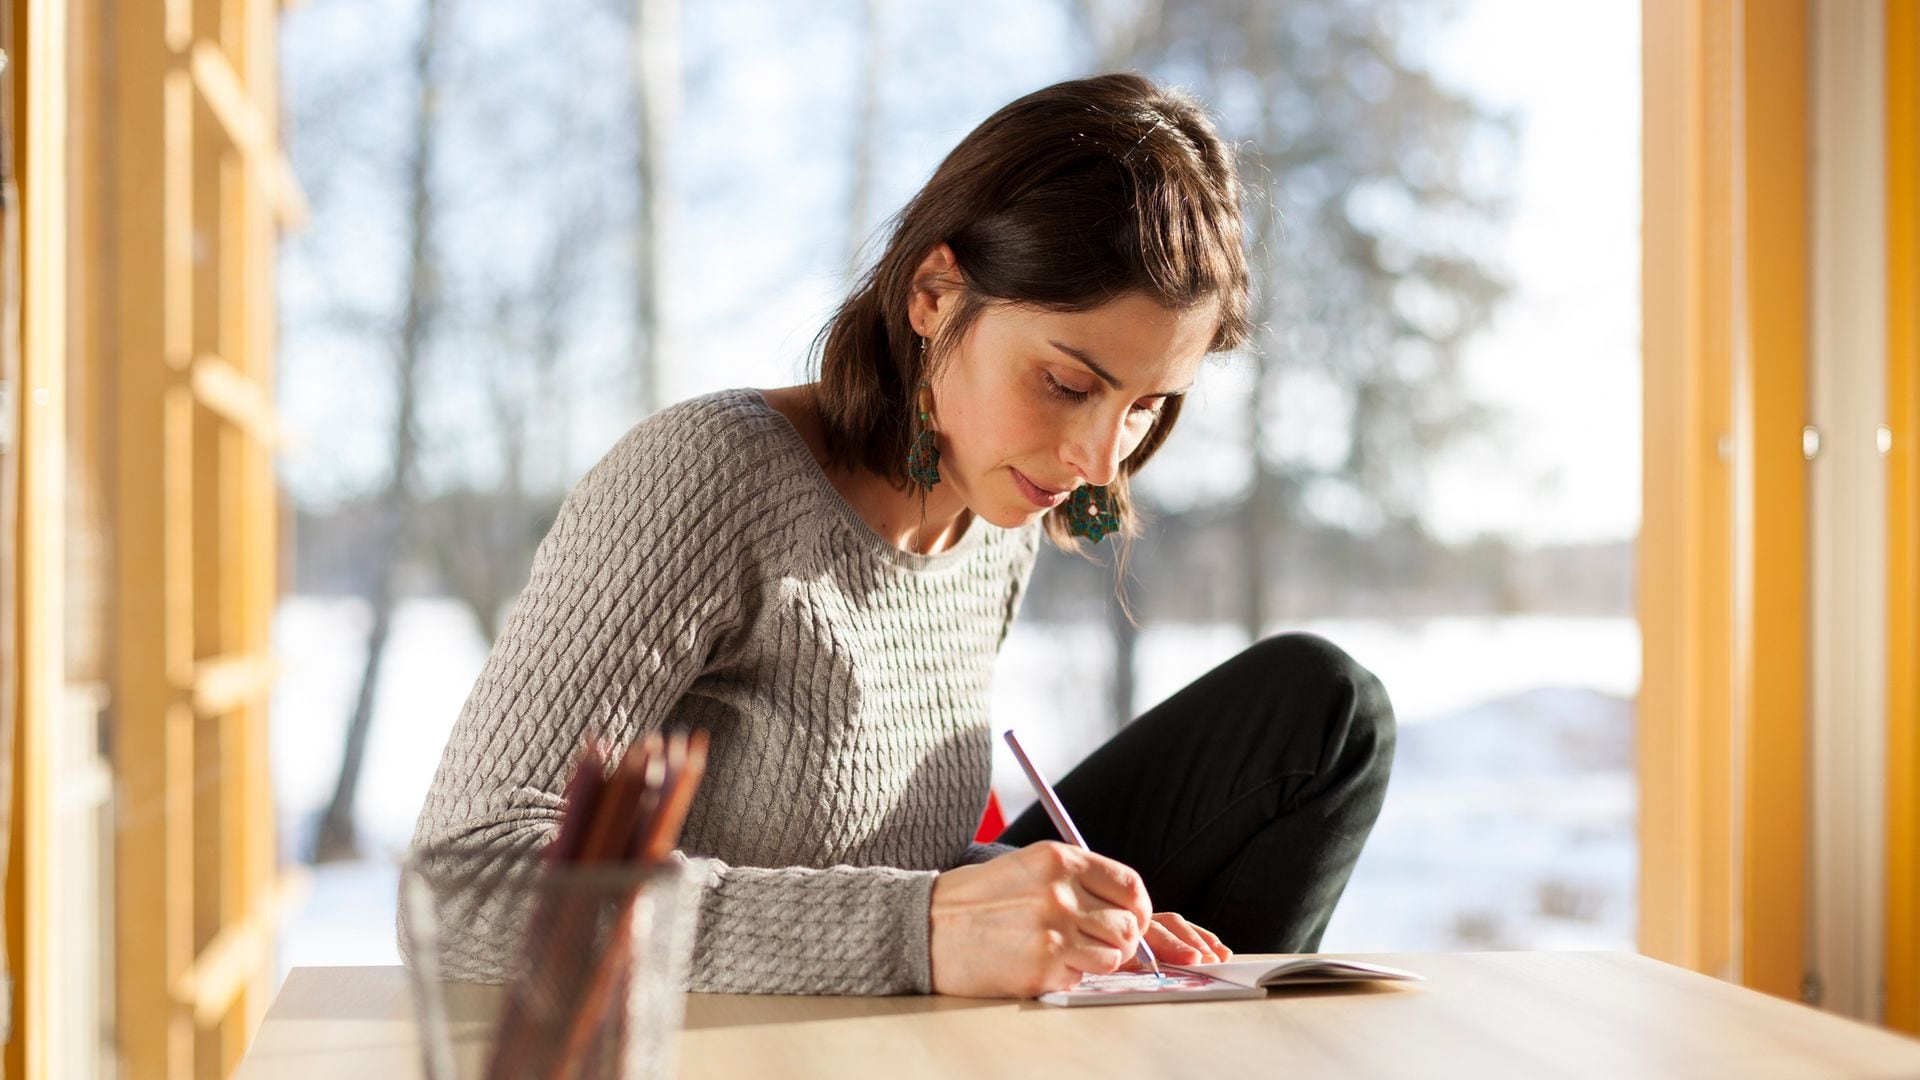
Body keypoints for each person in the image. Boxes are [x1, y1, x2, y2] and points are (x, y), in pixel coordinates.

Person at [402, 71, 1395, 999]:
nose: (1100, 458)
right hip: (708, 1039)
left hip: (893, 1022)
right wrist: (917, 929)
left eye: (1145, 406)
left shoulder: (994, 518)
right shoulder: (708, 475)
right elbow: (464, 884)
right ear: (934, 294)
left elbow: (891, 852)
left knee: (1323, 711)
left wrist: (1044, 907)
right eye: (1066, 383)